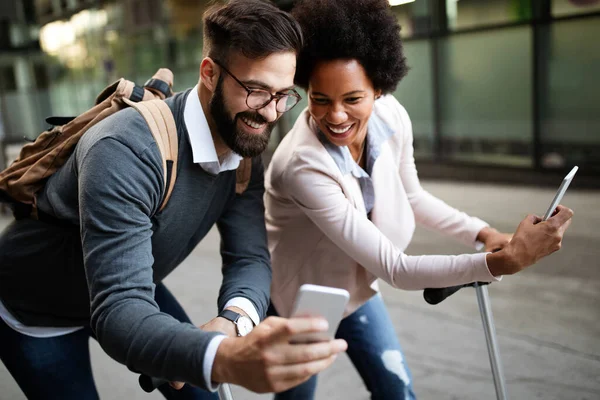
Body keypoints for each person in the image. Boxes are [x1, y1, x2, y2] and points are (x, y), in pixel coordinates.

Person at [0, 1, 347, 399]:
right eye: (255, 91)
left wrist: (231, 323)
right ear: (210, 74)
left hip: (129, 280)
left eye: (283, 95)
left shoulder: (244, 151)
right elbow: (118, 311)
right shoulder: (125, 149)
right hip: (38, 303)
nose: (270, 113)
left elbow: (249, 257)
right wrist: (226, 358)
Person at [264, 0, 574, 399]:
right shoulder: (301, 165)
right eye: (320, 99)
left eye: (353, 99)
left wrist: (483, 232)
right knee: (296, 396)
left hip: (358, 290)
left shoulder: (391, 117)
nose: (336, 116)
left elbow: (414, 197)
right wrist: (503, 262)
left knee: (398, 391)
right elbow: (398, 269)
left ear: (380, 88)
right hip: (305, 297)